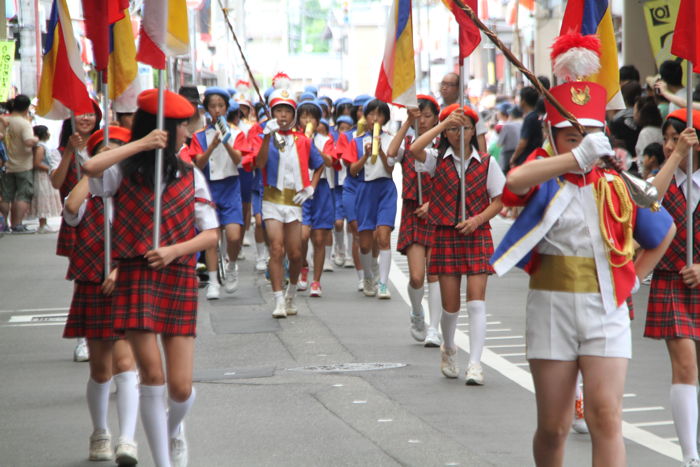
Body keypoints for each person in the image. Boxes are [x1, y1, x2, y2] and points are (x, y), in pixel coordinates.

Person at [491, 33, 676, 467]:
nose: (583, 144)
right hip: (551, 306)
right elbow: (512, 183)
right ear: (553, 138)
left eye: (591, 135)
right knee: (553, 427)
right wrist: (572, 160)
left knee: (606, 417)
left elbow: (662, 230)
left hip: (605, 309)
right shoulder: (544, 175)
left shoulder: (617, 183)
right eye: (571, 136)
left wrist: (633, 280)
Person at [82, 89, 218, 467]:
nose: (188, 134)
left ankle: (175, 430)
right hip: (136, 277)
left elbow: (211, 233)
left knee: (180, 387)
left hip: (177, 276)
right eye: (182, 127)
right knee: (152, 376)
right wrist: (138, 144)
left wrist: (174, 250)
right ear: (162, 129)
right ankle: (163, 463)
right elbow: (90, 170)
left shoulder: (192, 176)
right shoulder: (118, 174)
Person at [410, 103, 505, 385]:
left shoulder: (487, 162)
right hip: (445, 235)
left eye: (464, 127)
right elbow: (414, 150)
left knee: (476, 302)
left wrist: (477, 220)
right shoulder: (435, 160)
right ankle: (449, 347)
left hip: (476, 235)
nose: (459, 133)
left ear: (473, 130)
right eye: (453, 128)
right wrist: (441, 125)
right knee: (450, 308)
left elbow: (500, 200)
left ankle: (475, 364)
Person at [62, 126, 139, 465]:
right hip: (93, 284)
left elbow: (145, 240)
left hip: (128, 282)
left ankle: (127, 439)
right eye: (105, 151)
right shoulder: (88, 195)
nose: (111, 158)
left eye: (117, 151)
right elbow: (70, 210)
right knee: (100, 370)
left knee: (125, 363)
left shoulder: (135, 195)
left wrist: (121, 269)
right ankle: (100, 432)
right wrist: (90, 170)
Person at [644, 108, 700, 467]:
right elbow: (647, 204)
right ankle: (690, 456)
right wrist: (677, 156)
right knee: (685, 366)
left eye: (675, 139)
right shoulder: (658, 178)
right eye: (665, 139)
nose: (667, 146)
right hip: (670, 279)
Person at [254, 81, 324, 318]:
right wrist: (266, 137)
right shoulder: (265, 136)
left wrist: (311, 187)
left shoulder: (303, 140)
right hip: (272, 200)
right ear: (271, 112)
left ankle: (291, 294)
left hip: (295, 203)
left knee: (295, 254)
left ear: (293, 115)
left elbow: (319, 164)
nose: (282, 115)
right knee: (276, 249)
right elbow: (259, 164)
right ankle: (278, 301)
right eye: (278, 110)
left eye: (287, 111)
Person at [49, 99, 101, 363]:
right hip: (77, 222)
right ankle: (84, 339)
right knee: (84, 280)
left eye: (91, 113)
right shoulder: (58, 150)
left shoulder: (104, 146)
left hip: (105, 221)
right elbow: (57, 182)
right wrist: (70, 151)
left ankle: (107, 333)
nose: (85, 118)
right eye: (80, 113)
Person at [389, 95, 443, 346]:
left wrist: (433, 204)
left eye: (427, 115)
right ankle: (416, 312)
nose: (422, 120)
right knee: (417, 276)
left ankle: (434, 328)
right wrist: (405, 123)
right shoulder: (407, 142)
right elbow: (390, 155)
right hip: (413, 212)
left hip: (440, 212)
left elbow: (455, 181)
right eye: (418, 116)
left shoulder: (445, 145)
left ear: (436, 117)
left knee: (435, 274)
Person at [189, 87, 248, 300]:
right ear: (206, 110)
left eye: (220, 106)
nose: (217, 110)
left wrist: (226, 142)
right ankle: (213, 281)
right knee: (211, 237)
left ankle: (231, 265)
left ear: (226, 108)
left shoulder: (238, 134)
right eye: (212, 106)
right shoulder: (198, 136)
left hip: (231, 188)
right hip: (209, 189)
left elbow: (239, 160)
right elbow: (198, 163)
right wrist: (212, 146)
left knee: (233, 235)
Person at [346, 99, 396, 299]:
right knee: (365, 243)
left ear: (385, 118)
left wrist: (381, 151)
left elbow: (391, 167)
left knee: (383, 237)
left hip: (385, 189)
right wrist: (366, 155)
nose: (375, 119)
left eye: (379, 115)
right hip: (365, 190)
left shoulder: (391, 138)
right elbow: (352, 170)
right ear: (365, 117)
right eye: (371, 114)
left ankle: (383, 284)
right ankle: (368, 276)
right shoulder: (356, 140)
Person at [298, 100, 336, 296]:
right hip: (302, 189)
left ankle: (316, 281)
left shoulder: (325, 140)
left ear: (318, 120)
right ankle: (303, 266)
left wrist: (312, 145)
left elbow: (329, 162)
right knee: (303, 235)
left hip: (321, 189)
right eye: (303, 117)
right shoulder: (293, 138)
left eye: (311, 117)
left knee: (319, 238)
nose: (307, 121)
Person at [2, 95, 38, 232]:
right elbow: (28, 141)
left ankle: (3, 223)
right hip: (23, 165)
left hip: (6, 164)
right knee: (23, 194)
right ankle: (17, 224)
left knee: (6, 195)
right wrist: (36, 139)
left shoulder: (5, 120)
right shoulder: (24, 123)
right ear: (27, 107)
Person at [438, 72, 487, 153]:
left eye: (449, 84)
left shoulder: (469, 108)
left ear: (458, 88)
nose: (444, 87)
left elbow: (480, 135)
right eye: (443, 84)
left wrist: (483, 160)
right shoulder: (436, 107)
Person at [30, 125, 61, 233]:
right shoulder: (40, 147)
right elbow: (37, 163)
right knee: (43, 198)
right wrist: (50, 169)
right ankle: (42, 224)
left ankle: (44, 223)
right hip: (41, 176)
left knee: (45, 198)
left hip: (43, 175)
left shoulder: (41, 146)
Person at [510, 86, 543, 168]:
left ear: (523, 101)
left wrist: (513, 158)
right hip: (537, 156)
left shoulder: (529, 118)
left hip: (528, 158)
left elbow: (523, 143)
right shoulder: (537, 115)